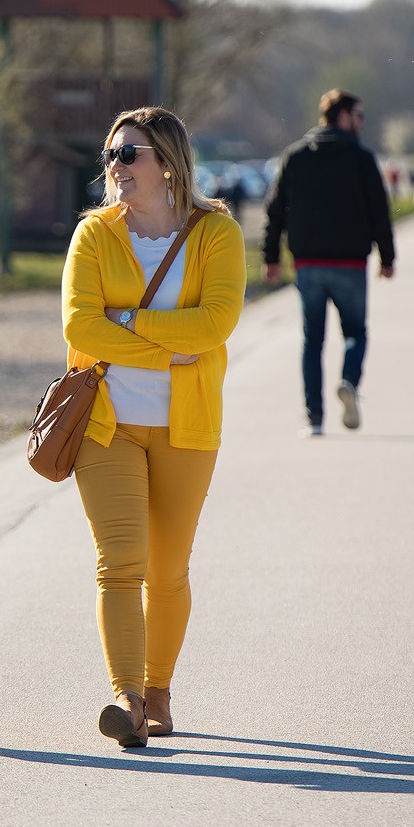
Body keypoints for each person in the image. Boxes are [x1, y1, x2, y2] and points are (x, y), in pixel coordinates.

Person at [61, 106, 246, 748]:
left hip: (186, 426)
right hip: (104, 425)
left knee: (168, 570)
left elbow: (216, 324)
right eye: (110, 154)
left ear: (166, 162)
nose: (115, 166)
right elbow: (82, 329)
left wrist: (131, 326)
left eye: (129, 154)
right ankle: (128, 697)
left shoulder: (216, 234)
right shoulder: (93, 236)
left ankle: (160, 689)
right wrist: (168, 347)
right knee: (120, 564)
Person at [262, 88, 395, 437]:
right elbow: (379, 210)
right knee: (354, 333)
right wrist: (387, 256)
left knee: (312, 342)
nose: (361, 123)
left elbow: (275, 210)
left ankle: (314, 418)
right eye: (359, 116)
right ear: (343, 116)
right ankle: (348, 381)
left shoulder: (295, 155)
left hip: (308, 263)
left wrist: (271, 257)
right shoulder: (361, 157)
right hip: (350, 262)